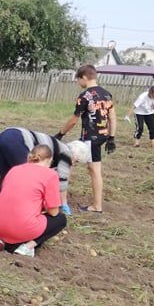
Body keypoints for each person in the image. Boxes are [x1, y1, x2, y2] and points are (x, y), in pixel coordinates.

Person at [54, 64, 116, 213]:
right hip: (102, 136)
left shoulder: (84, 96)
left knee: (66, 163)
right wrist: (111, 138)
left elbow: (74, 120)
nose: (78, 83)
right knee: (94, 169)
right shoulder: (107, 94)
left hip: (89, 137)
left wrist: (60, 134)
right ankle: (96, 205)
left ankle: (60, 201)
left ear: (84, 77)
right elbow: (112, 117)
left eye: (78, 80)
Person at [0, 144, 67, 257]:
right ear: (49, 161)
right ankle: (27, 247)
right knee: (60, 219)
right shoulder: (51, 175)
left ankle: (0, 238)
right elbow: (53, 211)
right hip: (23, 226)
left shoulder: (14, 169)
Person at [0, 127, 90, 215]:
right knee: (25, 176)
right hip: (18, 140)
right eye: (76, 161)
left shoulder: (60, 146)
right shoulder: (67, 154)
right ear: (76, 156)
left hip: (4, 136)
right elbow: (63, 181)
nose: (73, 164)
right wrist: (63, 204)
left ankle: (0, 200)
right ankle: (20, 207)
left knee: (6, 173)